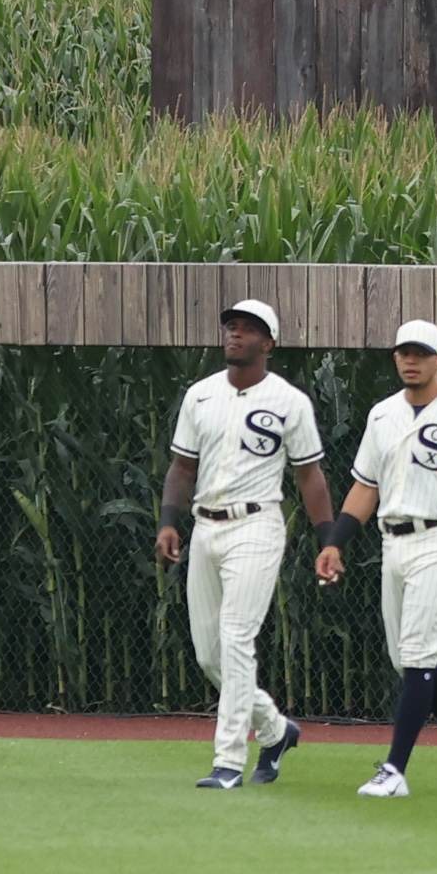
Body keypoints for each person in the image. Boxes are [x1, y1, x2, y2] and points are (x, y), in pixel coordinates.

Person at [317, 318, 437, 799]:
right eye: (404, 351)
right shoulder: (383, 415)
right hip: (393, 542)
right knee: (408, 661)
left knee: (420, 655)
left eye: (421, 353)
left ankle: (395, 770)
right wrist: (336, 540)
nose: (411, 360)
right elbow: (366, 485)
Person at [162, 299, 333, 789]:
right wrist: (168, 521)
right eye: (231, 327)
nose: (236, 334)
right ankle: (276, 730)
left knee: (237, 638)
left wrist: (327, 540)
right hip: (205, 526)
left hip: (256, 525)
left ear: (269, 343)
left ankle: (228, 762)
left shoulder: (289, 401)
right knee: (209, 655)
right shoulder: (200, 396)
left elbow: (310, 475)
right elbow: (182, 467)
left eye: (249, 329)